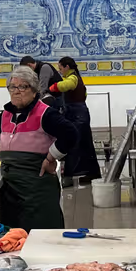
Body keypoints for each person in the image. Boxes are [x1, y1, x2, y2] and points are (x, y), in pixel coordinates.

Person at [0, 67, 77, 230]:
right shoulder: (7, 113)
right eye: (13, 87)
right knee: (16, 235)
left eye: (23, 87)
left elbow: (70, 134)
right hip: (11, 188)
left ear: (34, 90)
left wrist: (51, 156)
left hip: (37, 188)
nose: (17, 91)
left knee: (41, 233)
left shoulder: (45, 114)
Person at [51, 56, 103, 186]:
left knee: (73, 144)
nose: (60, 71)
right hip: (80, 114)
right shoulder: (77, 77)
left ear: (67, 67)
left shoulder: (72, 78)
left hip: (77, 116)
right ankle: (92, 173)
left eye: (61, 68)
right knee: (85, 145)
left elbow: (64, 86)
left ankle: (69, 176)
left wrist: (51, 88)